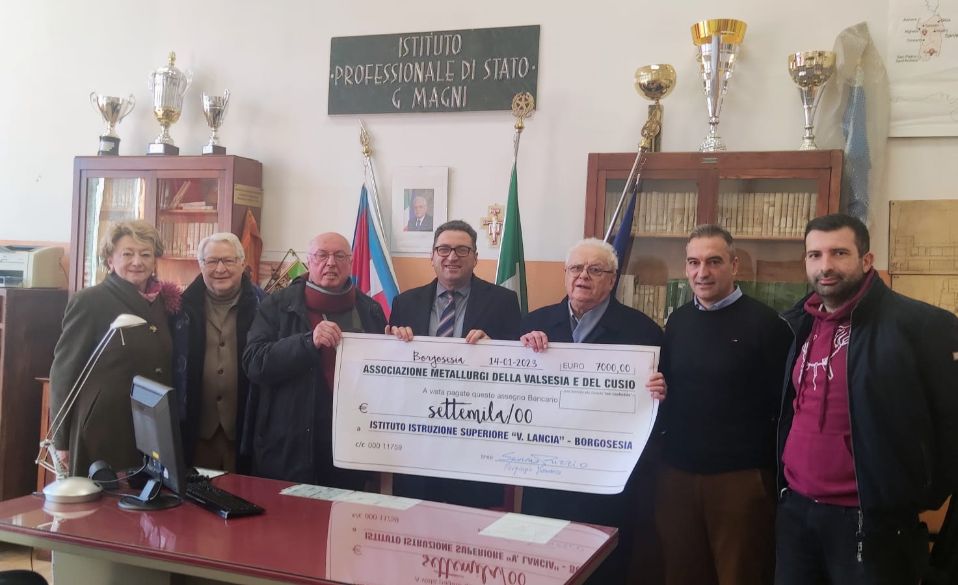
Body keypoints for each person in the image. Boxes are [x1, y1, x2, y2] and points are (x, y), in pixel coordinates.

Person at [775, 213, 958, 585]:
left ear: (866, 259)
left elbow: (950, 419)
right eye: (815, 255)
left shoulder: (921, 325)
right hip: (796, 510)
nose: (825, 266)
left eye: (839, 253)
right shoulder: (798, 322)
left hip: (871, 522)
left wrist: (918, 494)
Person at [519, 237, 665, 585]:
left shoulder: (643, 331)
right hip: (546, 475)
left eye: (595, 270)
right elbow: (508, 388)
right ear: (565, 274)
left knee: (604, 567)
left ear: (612, 280)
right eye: (576, 268)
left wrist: (661, 391)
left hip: (608, 479)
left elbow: (661, 406)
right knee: (543, 565)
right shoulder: (533, 324)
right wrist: (519, 353)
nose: (583, 276)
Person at [656, 224, 791, 585]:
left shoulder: (767, 324)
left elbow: (784, 405)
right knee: (681, 574)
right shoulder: (678, 321)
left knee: (740, 574)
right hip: (678, 474)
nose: (702, 272)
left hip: (740, 479)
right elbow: (669, 387)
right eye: (694, 262)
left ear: (734, 265)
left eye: (714, 261)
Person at [388, 219, 520, 507]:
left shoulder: (504, 301)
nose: (452, 257)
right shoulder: (404, 303)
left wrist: (495, 350)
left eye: (462, 250)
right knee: (414, 520)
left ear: (475, 257)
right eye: (444, 249)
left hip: (474, 440)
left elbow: (516, 370)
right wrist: (392, 345)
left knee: (470, 522)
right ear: (432, 256)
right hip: (417, 441)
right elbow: (391, 373)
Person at [243, 232, 387, 488]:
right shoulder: (277, 305)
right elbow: (254, 363)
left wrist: (397, 345)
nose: (330, 263)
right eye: (322, 255)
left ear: (350, 262)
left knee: (344, 512)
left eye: (339, 256)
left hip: (351, 444)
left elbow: (382, 375)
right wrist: (307, 342)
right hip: (289, 444)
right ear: (309, 261)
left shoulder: (369, 309)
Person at [50, 220, 180, 477]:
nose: (137, 262)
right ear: (110, 260)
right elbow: (64, 372)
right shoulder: (90, 301)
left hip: (151, 426)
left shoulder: (161, 303)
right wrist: (61, 439)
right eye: (127, 254)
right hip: (104, 428)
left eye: (145, 254)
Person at [172, 232, 264, 474]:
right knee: (197, 494)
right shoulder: (179, 308)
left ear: (242, 264)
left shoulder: (264, 306)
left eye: (228, 260)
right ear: (200, 265)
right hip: (196, 432)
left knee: (242, 492)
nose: (220, 269)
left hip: (245, 432)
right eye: (212, 261)